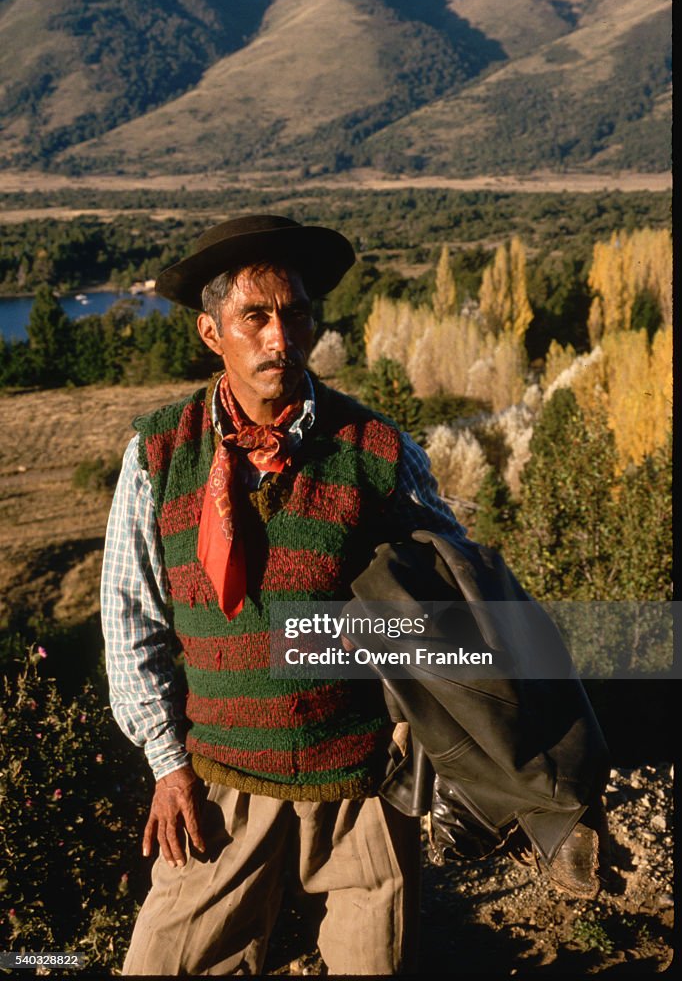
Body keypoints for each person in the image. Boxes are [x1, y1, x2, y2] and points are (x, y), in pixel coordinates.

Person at [101, 214, 469, 976]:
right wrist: (168, 767)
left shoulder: (376, 451)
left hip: (362, 789)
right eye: (255, 317)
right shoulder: (160, 453)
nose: (280, 338)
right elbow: (130, 622)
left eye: (294, 313)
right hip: (219, 786)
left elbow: (456, 590)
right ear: (212, 332)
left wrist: (435, 733)